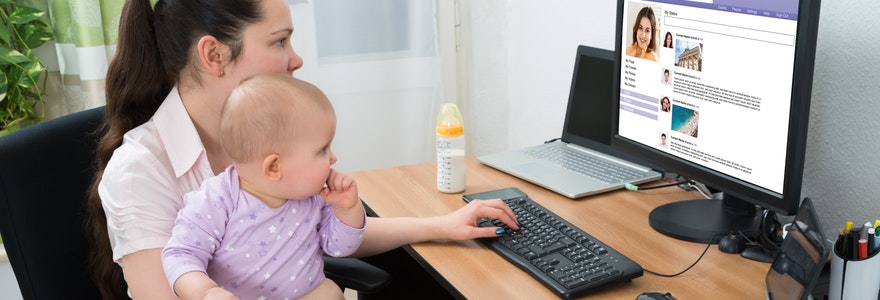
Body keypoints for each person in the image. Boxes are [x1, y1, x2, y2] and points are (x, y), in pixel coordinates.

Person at [85, 0, 519, 299]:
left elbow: (322, 230)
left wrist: (444, 225)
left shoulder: (273, 138)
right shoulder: (141, 171)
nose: (296, 59)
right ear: (214, 55)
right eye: (279, 41)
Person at [161, 75, 362, 300]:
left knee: (329, 292)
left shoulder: (312, 197)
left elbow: (339, 248)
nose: (333, 158)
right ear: (274, 167)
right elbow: (181, 254)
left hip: (311, 293)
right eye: (323, 149)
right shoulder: (217, 200)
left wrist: (347, 210)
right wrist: (205, 291)